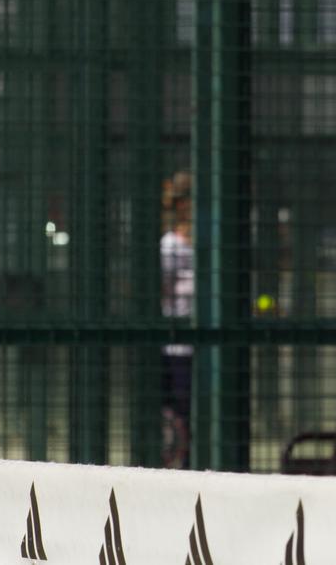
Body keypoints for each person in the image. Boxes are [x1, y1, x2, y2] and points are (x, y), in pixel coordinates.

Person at [158, 170, 195, 469]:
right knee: (180, 410)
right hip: (177, 345)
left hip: (202, 347)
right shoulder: (170, 245)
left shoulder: (210, 242)